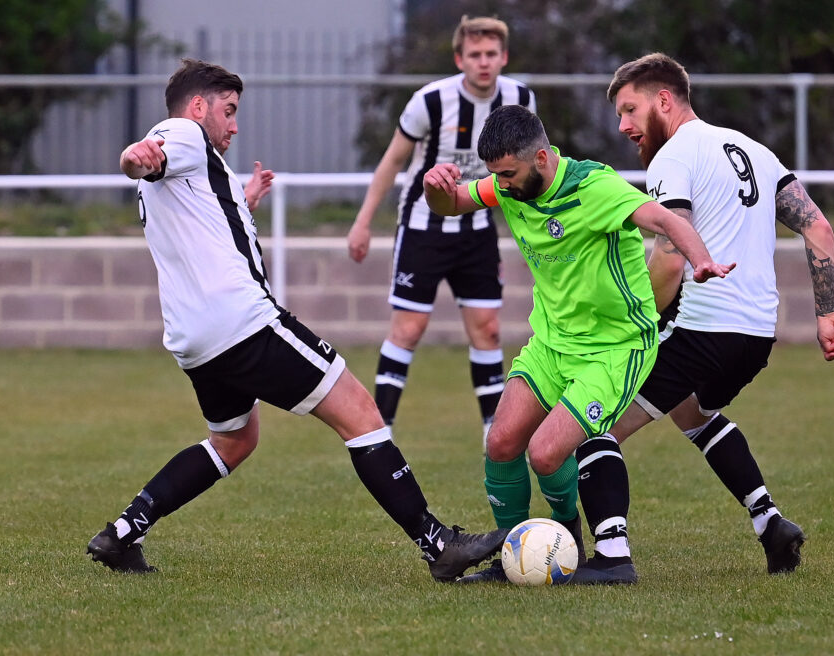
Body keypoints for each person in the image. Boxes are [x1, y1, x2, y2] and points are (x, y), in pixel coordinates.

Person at [85, 58, 506, 582]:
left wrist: (243, 199)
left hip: (195, 340)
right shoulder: (184, 133)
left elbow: (193, 208)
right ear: (199, 107)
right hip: (244, 324)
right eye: (230, 111)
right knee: (361, 413)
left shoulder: (191, 171)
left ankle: (123, 533)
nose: (235, 125)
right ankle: (438, 544)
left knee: (234, 441)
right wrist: (136, 155)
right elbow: (147, 156)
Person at [568, 52, 834, 584]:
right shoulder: (758, 152)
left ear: (664, 100)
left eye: (630, 110)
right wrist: (827, 313)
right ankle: (771, 523)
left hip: (702, 327)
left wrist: (634, 327)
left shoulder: (673, 158)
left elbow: (671, 254)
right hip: (754, 337)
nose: (625, 126)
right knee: (692, 414)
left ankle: (611, 556)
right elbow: (820, 231)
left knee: (589, 421)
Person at [422, 104, 733, 583]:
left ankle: (560, 548)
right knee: (501, 441)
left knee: (546, 453)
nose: (500, 185)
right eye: (494, 176)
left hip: (616, 346)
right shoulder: (508, 184)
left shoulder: (596, 188)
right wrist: (433, 190)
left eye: (508, 174)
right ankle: (514, 557)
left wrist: (702, 261)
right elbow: (453, 204)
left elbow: (667, 221)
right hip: (552, 343)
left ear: (542, 158)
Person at [347, 16, 536, 446]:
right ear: (460, 58)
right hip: (423, 228)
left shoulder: (519, 98)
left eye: (492, 54)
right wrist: (362, 223)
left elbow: (525, 168)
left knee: (487, 330)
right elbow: (393, 161)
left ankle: (495, 435)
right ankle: (381, 432)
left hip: (478, 228)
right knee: (409, 330)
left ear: (503, 57)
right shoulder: (429, 101)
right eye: (475, 55)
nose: (484, 63)